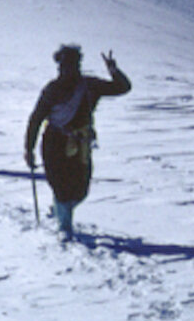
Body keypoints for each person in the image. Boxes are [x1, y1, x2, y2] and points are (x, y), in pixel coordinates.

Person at [23, 44, 131, 237]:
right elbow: (36, 118)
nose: (67, 70)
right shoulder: (52, 90)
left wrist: (113, 70)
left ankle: (59, 209)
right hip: (54, 142)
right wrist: (28, 148)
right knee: (62, 187)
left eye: (72, 65)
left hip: (80, 144)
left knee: (80, 189)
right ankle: (64, 227)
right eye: (64, 66)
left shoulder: (89, 86)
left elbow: (122, 88)